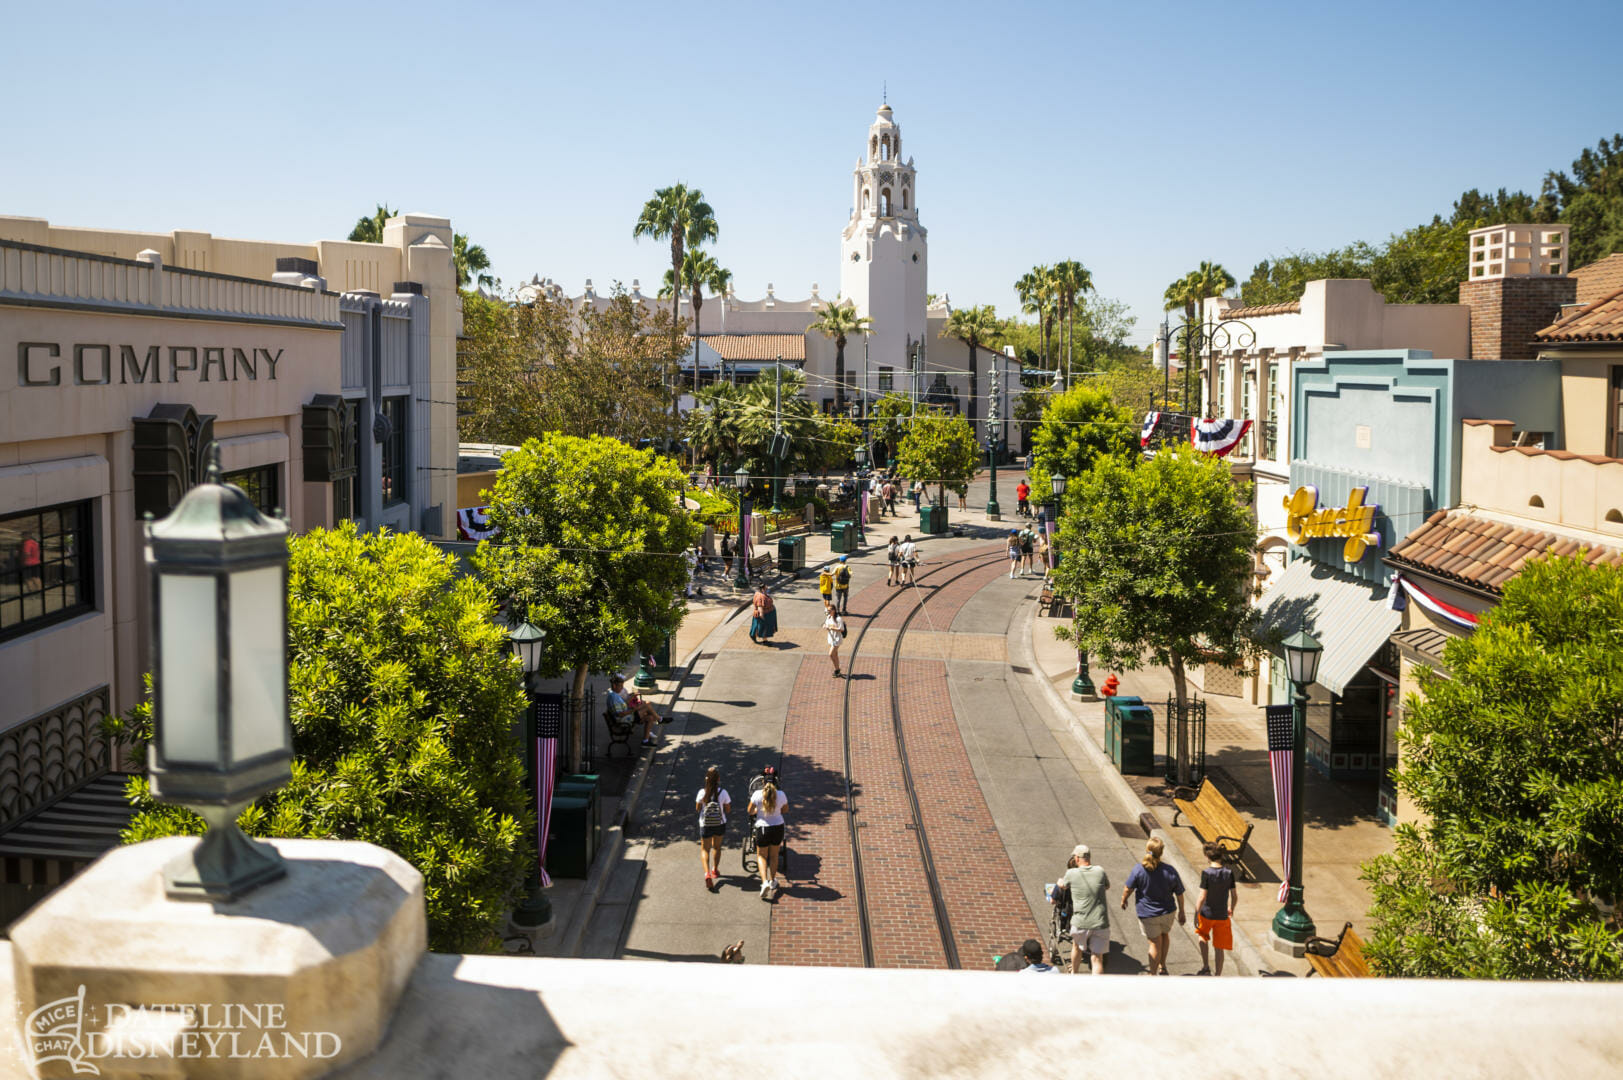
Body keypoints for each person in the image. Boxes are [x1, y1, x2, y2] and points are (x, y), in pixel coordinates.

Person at [1121, 836, 1185, 976]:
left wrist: (1124, 899)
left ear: (1147, 850)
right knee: (1164, 936)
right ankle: (1163, 966)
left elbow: (1128, 888)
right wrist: (1182, 912)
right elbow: (1179, 893)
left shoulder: (1139, 869)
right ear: (1161, 852)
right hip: (1168, 913)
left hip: (1148, 915)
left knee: (1155, 944)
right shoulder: (1170, 871)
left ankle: (1153, 974)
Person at [1055, 843, 1111, 975]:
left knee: (1076, 947)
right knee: (1097, 958)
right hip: (1100, 922)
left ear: (1077, 858)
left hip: (1081, 921)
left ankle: (1074, 973)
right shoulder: (1100, 871)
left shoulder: (1071, 873)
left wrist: (1059, 883)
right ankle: (1096, 989)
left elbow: (1063, 885)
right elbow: (1107, 886)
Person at [1195, 842, 1238, 976]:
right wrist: (1231, 908)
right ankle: (1218, 974)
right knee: (1219, 947)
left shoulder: (1206, 873)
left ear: (1207, 857)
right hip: (1222, 915)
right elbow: (1234, 895)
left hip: (1206, 913)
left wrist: (1196, 912)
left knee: (1202, 936)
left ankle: (1206, 965)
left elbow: (1202, 896)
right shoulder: (1229, 873)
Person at [749, 773, 789, 899]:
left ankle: (764, 882)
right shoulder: (781, 794)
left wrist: (758, 811)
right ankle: (773, 880)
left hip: (762, 828)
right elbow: (785, 810)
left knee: (761, 855)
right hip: (778, 827)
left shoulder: (757, 795)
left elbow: (750, 811)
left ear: (762, 783)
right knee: (774, 855)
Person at [695, 765, 732, 891]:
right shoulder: (724, 792)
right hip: (719, 824)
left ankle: (707, 875)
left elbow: (698, 808)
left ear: (706, 779)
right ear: (718, 779)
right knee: (717, 847)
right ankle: (715, 870)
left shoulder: (702, 792)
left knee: (705, 849)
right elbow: (728, 809)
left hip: (705, 824)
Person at [608, 673, 662, 747]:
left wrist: (632, 700)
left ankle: (645, 741)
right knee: (647, 706)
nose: (621, 688)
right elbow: (620, 714)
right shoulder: (613, 697)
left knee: (650, 717)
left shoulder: (614, 694)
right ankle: (659, 719)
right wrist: (634, 710)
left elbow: (623, 705)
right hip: (624, 719)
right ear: (614, 686)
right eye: (620, 686)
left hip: (628, 715)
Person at [823, 600, 847, 678]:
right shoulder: (828, 617)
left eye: (830, 610)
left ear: (834, 610)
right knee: (835, 655)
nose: (828, 612)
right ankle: (837, 670)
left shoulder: (839, 619)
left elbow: (842, 629)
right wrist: (825, 626)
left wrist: (832, 628)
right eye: (828, 610)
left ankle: (837, 669)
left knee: (831, 654)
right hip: (831, 638)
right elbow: (826, 624)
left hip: (837, 639)